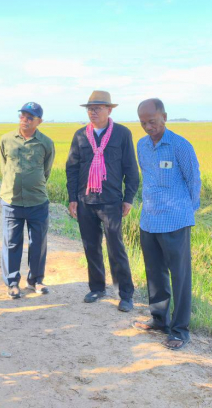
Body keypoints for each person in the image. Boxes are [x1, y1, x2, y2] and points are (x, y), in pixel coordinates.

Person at [133, 98, 201, 351]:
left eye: (152, 121)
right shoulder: (141, 145)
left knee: (180, 276)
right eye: (143, 123)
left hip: (175, 220)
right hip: (149, 219)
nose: (148, 127)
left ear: (164, 117)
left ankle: (180, 330)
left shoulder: (180, 145)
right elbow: (147, 178)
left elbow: (193, 180)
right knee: (154, 272)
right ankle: (159, 319)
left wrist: (186, 211)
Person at [65, 90, 140, 311]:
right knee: (91, 245)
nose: (93, 112)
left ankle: (125, 294)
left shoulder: (122, 134)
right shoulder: (80, 135)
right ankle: (97, 288)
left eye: (98, 108)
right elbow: (72, 168)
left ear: (109, 110)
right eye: (90, 108)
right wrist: (72, 198)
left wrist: (128, 198)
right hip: (85, 199)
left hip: (111, 200)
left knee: (116, 247)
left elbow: (130, 168)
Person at [0, 102, 55, 299]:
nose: (25, 120)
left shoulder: (46, 143)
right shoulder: (6, 139)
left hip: (37, 201)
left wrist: (33, 183)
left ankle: (36, 280)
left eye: (30, 117)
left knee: (38, 242)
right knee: (12, 242)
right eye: (22, 115)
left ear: (39, 121)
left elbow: (46, 170)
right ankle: (12, 283)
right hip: (11, 200)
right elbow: (4, 167)